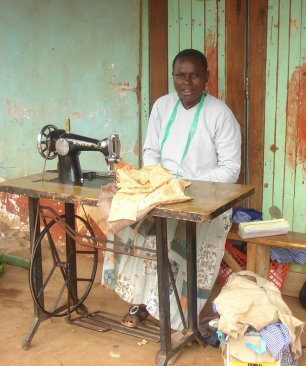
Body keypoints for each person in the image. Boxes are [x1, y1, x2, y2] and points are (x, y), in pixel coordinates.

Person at [102, 49, 241, 332]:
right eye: (180, 76)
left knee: (180, 243)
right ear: (173, 77)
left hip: (204, 199)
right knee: (131, 225)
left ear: (206, 78)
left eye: (194, 76)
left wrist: (185, 185)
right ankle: (142, 302)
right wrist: (159, 181)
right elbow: (150, 152)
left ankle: (177, 317)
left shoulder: (221, 115)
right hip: (161, 191)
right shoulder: (162, 106)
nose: (186, 82)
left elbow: (230, 170)